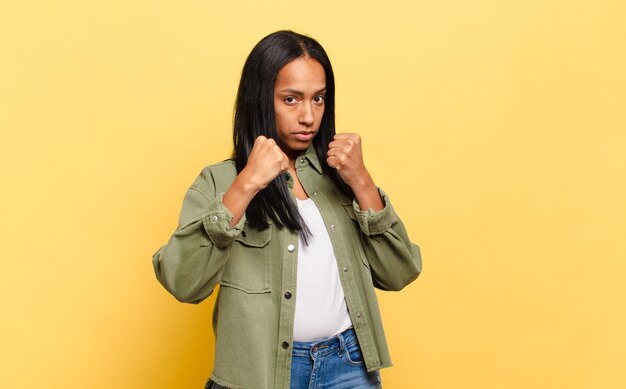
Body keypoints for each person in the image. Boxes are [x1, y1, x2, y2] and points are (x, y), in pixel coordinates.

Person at [152, 30, 422, 389]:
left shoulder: (341, 175)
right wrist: (247, 183)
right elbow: (183, 283)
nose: (309, 116)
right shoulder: (220, 181)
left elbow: (400, 272)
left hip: (348, 367)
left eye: (319, 98)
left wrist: (362, 182)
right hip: (259, 373)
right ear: (262, 99)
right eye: (291, 99)